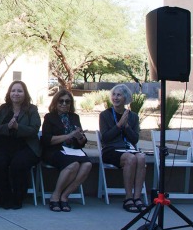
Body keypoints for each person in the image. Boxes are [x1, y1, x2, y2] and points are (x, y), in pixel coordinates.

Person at [0, 80, 41, 209]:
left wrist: (18, 127)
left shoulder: (32, 109)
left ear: (25, 93)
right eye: (13, 90)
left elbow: (34, 129)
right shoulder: (2, 109)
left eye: (19, 91)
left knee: (19, 163)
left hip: (25, 145)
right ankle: (3, 199)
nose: (16, 93)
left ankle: (17, 199)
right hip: (3, 144)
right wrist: (7, 126)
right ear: (9, 93)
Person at [41, 89, 91, 212]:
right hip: (55, 151)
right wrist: (68, 136)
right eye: (61, 101)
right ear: (55, 102)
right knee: (73, 164)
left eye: (67, 102)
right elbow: (46, 140)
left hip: (74, 150)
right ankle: (55, 195)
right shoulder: (49, 117)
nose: (64, 104)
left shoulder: (74, 117)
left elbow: (82, 142)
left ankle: (65, 196)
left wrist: (80, 137)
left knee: (87, 165)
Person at [99, 84, 146, 213]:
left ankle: (137, 197)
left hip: (128, 148)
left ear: (125, 98)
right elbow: (106, 138)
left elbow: (134, 139)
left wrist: (127, 127)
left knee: (141, 157)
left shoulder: (133, 116)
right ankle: (128, 198)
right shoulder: (105, 115)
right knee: (130, 159)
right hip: (111, 150)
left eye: (119, 95)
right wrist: (119, 125)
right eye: (114, 95)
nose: (115, 97)